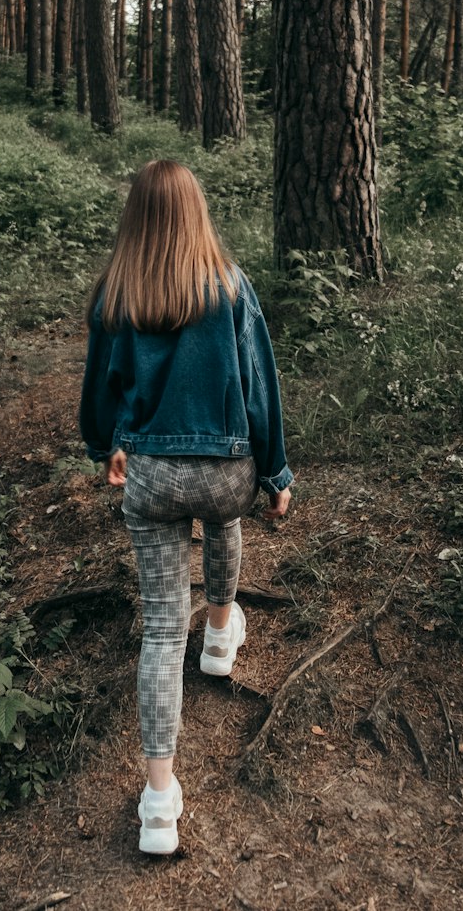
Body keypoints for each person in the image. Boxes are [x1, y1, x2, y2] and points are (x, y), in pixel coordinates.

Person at [78, 159, 293, 856]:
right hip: (227, 471)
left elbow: (100, 395)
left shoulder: (117, 295)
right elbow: (261, 388)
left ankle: (157, 804)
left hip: (151, 480)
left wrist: (109, 444)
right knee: (226, 513)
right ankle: (224, 636)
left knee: (163, 631)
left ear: (135, 218)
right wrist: (278, 470)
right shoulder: (232, 288)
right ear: (198, 213)